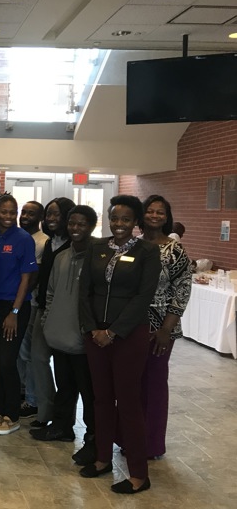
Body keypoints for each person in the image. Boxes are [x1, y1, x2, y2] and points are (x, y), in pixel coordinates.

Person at [78, 195, 161, 495]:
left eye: (126, 219)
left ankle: (139, 474)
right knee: (101, 398)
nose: (119, 224)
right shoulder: (96, 247)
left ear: (136, 222)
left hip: (128, 336)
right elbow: (84, 291)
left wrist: (113, 332)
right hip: (95, 336)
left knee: (127, 402)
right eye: (115, 218)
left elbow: (143, 297)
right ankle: (102, 459)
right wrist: (92, 329)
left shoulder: (148, 252)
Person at [31, 206, 98, 467]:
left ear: (91, 226)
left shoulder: (98, 256)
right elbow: (49, 294)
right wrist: (48, 324)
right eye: (72, 223)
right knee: (65, 386)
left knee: (89, 392)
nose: (75, 228)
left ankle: (93, 439)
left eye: (82, 224)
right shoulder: (60, 257)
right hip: (59, 335)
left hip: (84, 340)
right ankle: (62, 427)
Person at [139, 195, 191, 459]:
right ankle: (128, 438)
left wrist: (165, 329)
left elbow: (182, 291)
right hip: (130, 325)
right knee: (131, 384)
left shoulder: (175, 250)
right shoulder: (132, 246)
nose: (155, 216)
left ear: (166, 217)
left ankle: (151, 444)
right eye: (150, 211)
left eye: (160, 212)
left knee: (155, 382)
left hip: (161, 327)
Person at [0, 195, 38, 436]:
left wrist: (14, 311)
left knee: (7, 361)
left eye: (12, 212)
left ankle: (12, 416)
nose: (8, 216)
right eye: (3, 211)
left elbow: (27, 278)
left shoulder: (23, 239)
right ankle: (0, 410)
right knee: (0, 362)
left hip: (14, 308)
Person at [29, 197, 76, 427]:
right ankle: (45, 411)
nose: (51, 218)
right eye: (49, 214)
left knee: (65, 370)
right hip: (43, 308)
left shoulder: (76, 245)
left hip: (66, 316)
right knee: (38, 357)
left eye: (56, 214)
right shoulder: (49, 243)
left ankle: (63, 420)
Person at [16, 200, 50, 419]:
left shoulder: (42, 242)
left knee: (28, 352)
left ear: (41, 219)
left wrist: (18, 301)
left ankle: (32, 400)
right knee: (19, 351)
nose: (25, 216)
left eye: (31, 213)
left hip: (31, 304)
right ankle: (21, 391)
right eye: (24, 212)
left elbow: (34, 277)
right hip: (17, 303)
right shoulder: (19, 237)